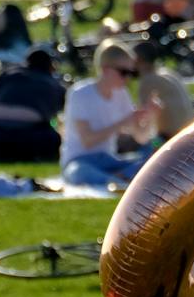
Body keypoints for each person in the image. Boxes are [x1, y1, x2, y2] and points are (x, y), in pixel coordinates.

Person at [61, 40, 157, 187]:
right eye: (123, 72)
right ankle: (117, 181)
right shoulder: (80, 94)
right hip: (79, 160)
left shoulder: (121, 94)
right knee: (79, 172)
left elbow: (140, 138)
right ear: (105, 69)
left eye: (132, 73)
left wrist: (150, 116)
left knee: (151, 160)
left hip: (108, 159)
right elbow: (87, 141)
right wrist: (123, 122)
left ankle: (115, 180)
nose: (128, 78)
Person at [0, 48, 65, 162]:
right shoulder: (54, 84)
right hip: (32, 135)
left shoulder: (8, 73)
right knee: (52, 139)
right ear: (51, 67)